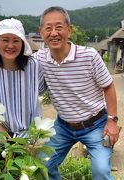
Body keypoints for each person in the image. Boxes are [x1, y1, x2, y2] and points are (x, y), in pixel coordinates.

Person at [33, 6, 120, 180]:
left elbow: (108, 86)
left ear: (69, 30)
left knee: (101, 171)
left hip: (96, 124)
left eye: (59, 27)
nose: (54, 33)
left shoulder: (89, 56)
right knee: (43, 165)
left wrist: (112, 121)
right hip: (63, 126)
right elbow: (15, 55)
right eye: (48, 28)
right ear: (41, 32)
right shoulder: (39, 58)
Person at [0, 18, 45, 137]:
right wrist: (3, 136)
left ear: (23, 43)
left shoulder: (34, 66)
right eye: (5, 40)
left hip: (32, 140)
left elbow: (40, 90)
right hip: (0, 139)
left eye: (16, 40)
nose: (10, 45)